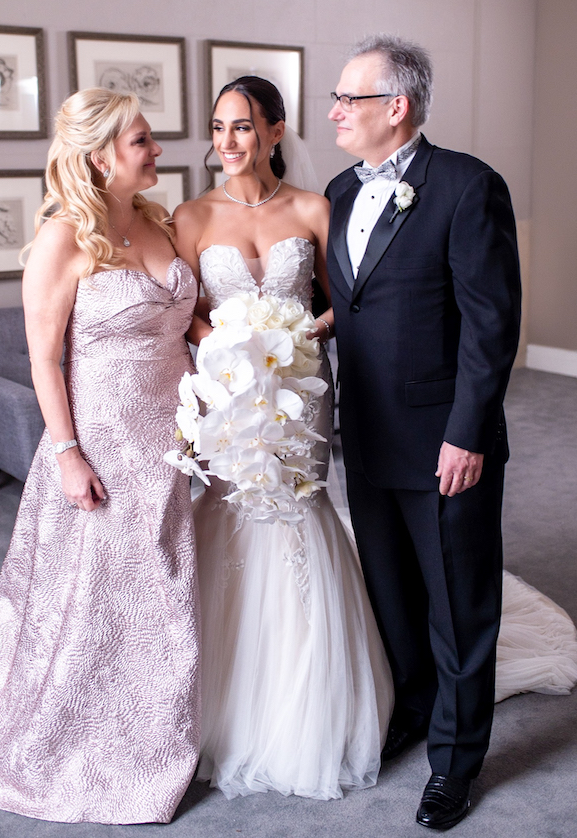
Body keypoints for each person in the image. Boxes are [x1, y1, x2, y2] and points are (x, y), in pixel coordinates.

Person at [0, 88, 200, 824]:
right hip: (104, 445)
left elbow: (188, 323)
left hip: (178, 441)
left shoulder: (160, 222)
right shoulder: (63, 238)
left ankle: (164, 726)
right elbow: (45, 361)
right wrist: (68, 454)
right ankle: (87, 739)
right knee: (101, 603)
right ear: (102, 156)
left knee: (167, 594)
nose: (156, 151)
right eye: (142, 141)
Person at [325, 34, 577, 830]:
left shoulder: (469, 186)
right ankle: (415, 710)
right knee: (391, 594)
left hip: (445, 444)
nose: (334, 111)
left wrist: (467, 434)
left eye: (348, 98)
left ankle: (455, 763)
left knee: (459, 606)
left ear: (395, 108)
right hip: (364, 437)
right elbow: (350, 307)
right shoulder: (335, 189)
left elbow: (491, 325)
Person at [174, 76, 394, 801]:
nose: (226, 142)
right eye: (217, 127)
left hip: (301, 392)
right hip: (231, 398)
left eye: (242, 128)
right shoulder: (192, 216)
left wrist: (296, 337)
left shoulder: (312, 207)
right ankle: (225, 700)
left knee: (299, 510)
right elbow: (186, 315)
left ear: (273, 132)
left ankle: (311, 697)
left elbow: (343, 302)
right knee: (233, 514)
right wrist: (232, 345)